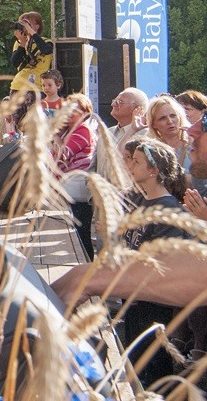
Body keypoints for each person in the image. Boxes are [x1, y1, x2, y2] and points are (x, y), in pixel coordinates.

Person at [118, 136, 190, 386]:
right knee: (135, 361)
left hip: (153, 301)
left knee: (155, 366)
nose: (130, 166)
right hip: (132, 296)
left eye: (137, 162)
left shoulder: (167, 209)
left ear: (154, 170)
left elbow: (162, 264)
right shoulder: (140, 199)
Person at [52, 94, 98, 260]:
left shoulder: (83, 130)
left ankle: (86, 265)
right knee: (78, 234)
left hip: (77, 191)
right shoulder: (70, 131)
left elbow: (62, 155)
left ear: (85, 112)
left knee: (81, 235)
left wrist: (56, 137)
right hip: (68, 188)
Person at [9, 11, 52, 93]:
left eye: (28, 24)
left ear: (37, 26)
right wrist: (22, 43)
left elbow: (46, 50)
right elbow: (15, 63)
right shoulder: (19, 43)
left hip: (37, 86)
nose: (24, 26)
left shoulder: (47, 42)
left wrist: (30, 31)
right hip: (18, 85)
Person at [146, 95, 191, 172]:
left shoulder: (194, 143)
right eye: (162, 118)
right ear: (153, 124)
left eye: (173, 116)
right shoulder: (151, 150)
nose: (170, 121)